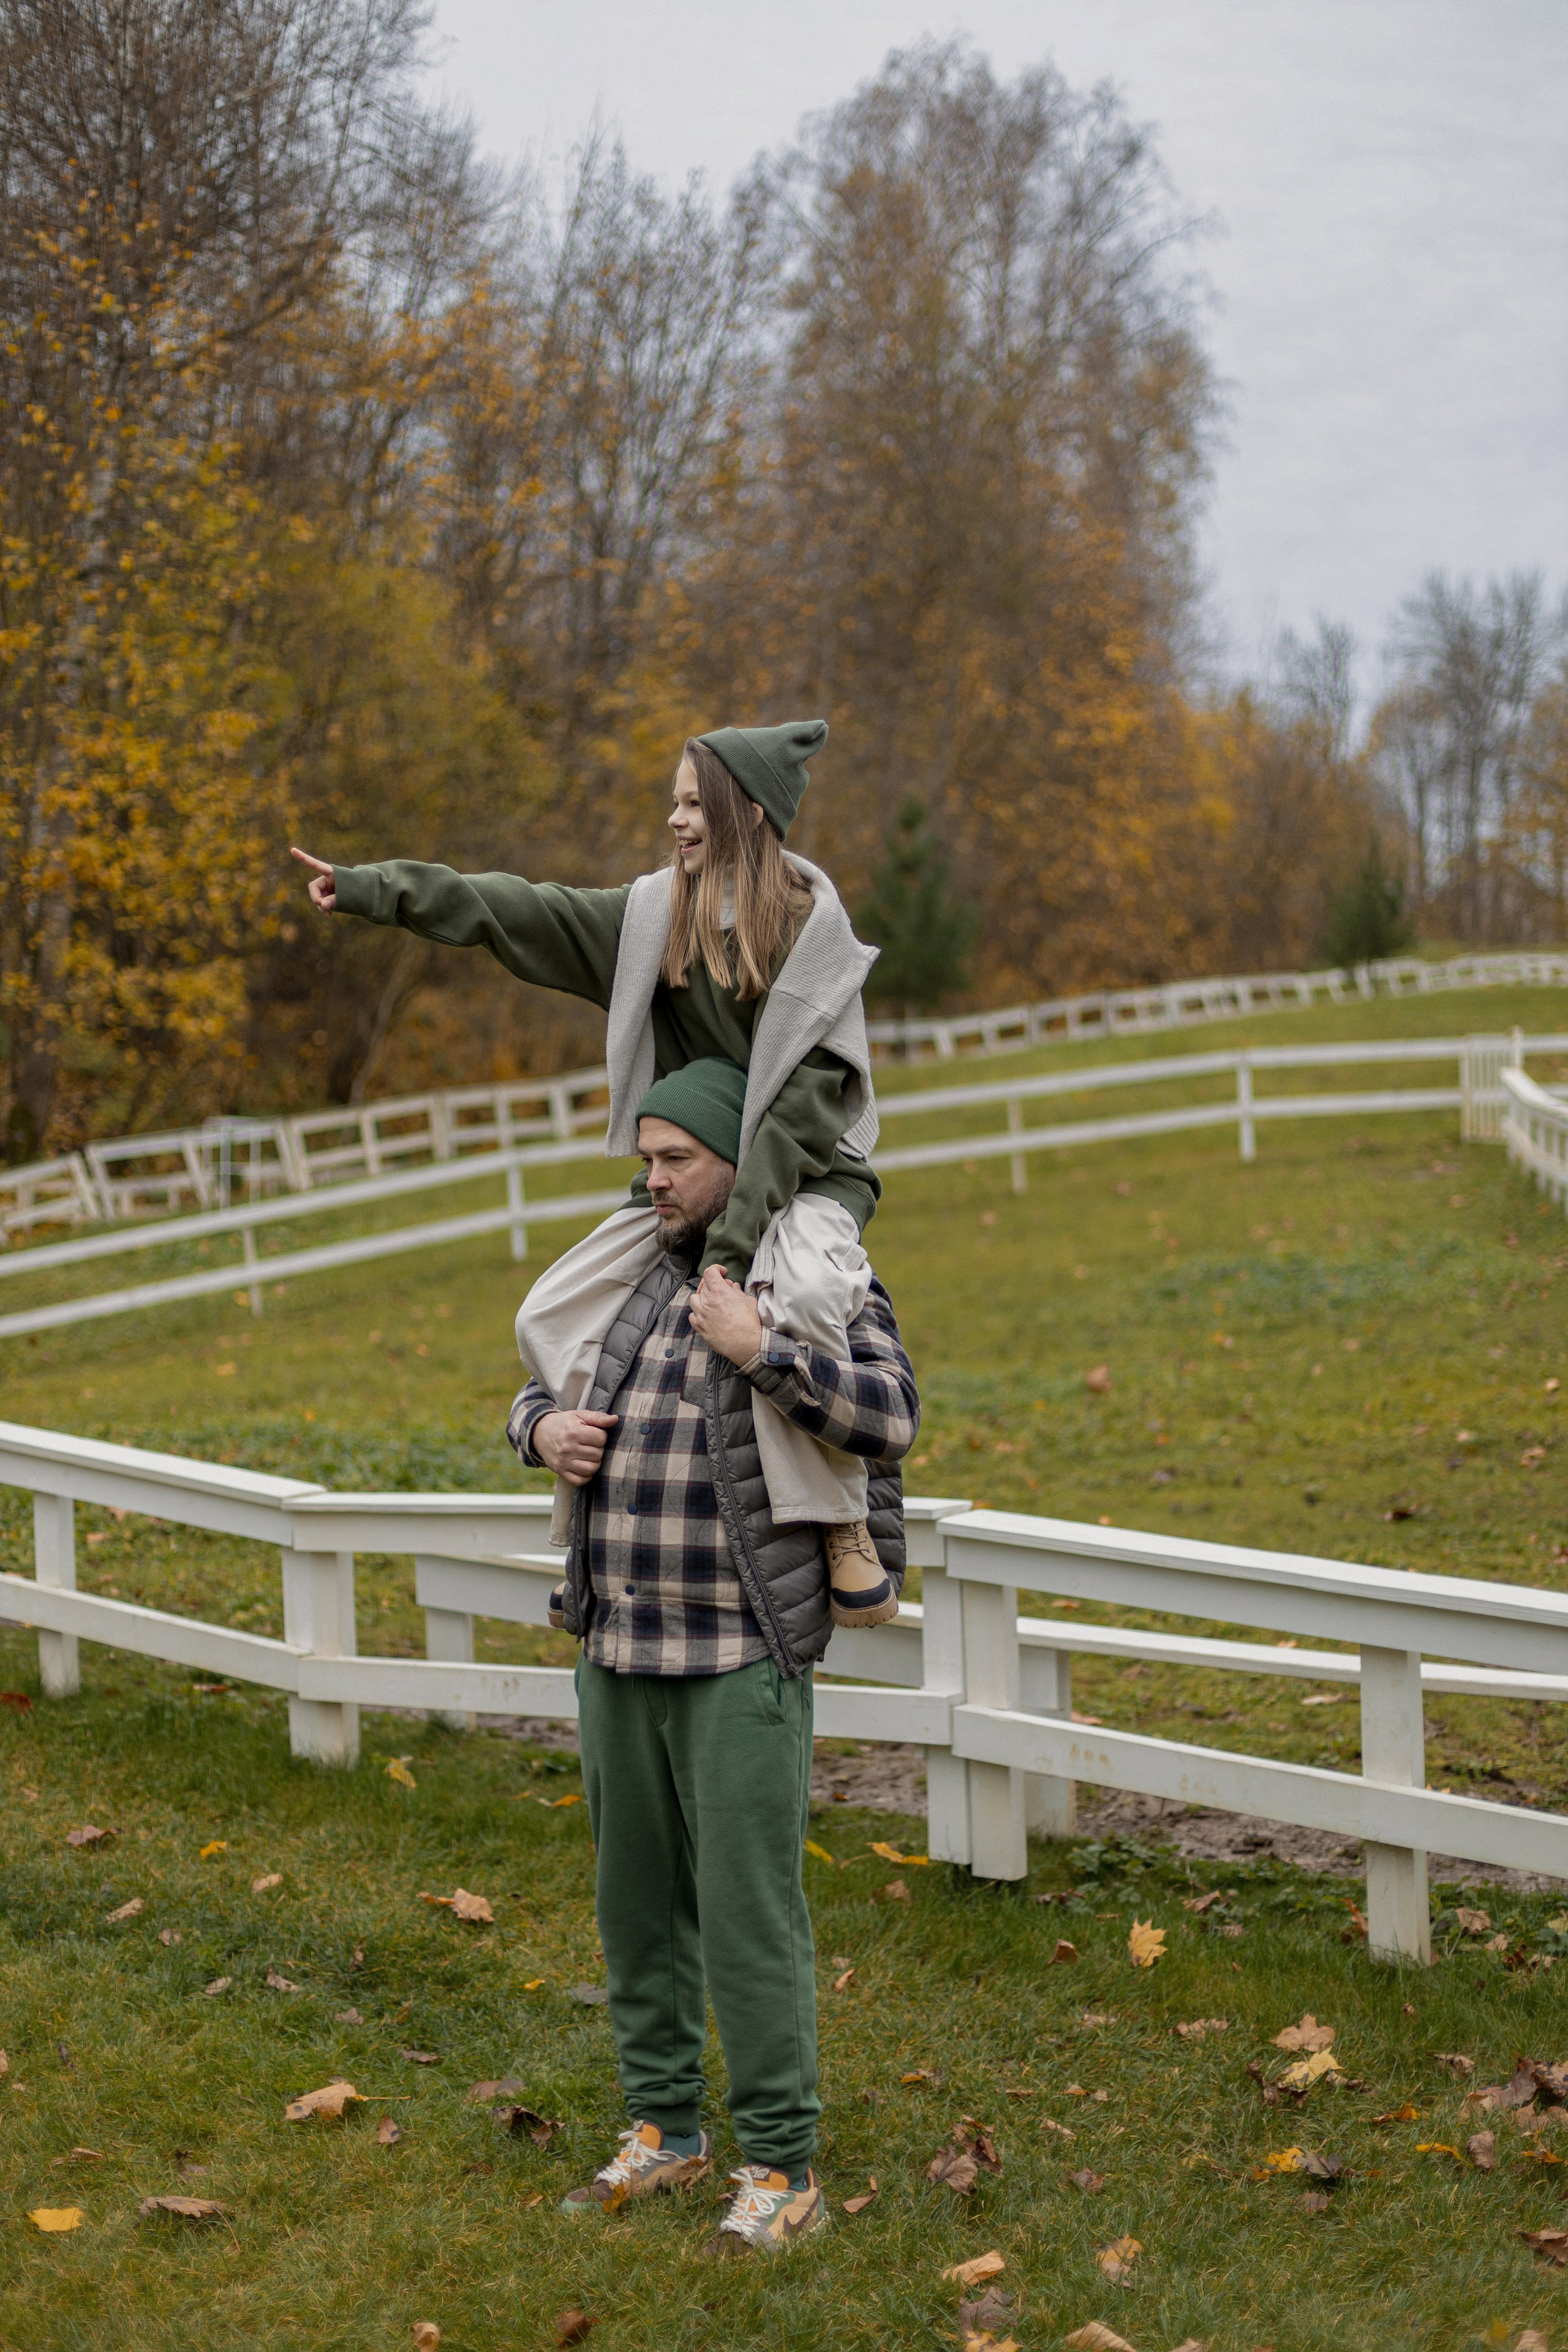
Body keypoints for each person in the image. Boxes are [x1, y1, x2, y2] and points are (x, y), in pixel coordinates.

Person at [292, 722, 897, 1626]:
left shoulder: (815, 945)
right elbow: (520, 910)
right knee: (551, 1308)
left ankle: (842, 1521)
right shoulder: (656, 919)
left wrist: (727, 1255)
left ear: (749, 813)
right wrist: (381, 890)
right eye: (677, 800)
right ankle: (585, 1477)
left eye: (694, 802)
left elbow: (799, 1122)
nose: (675, 818)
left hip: (804, 1180)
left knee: (803, 1298)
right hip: (689, 1174)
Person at [505, 1066, 919, 2254]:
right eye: (643, 1160)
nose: (651, 1181)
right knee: (634, 1908)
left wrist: (759, 1352)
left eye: (672, 1161)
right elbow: (536, 1387)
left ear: (731, 1165)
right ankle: (664, 2132)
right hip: (614, 1641)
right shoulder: (631, 1275)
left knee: (747, 1914)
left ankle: (781, 2167)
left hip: (740, 1652)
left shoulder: (805, 1278)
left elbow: (890, 1415)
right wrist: (541, 1429)